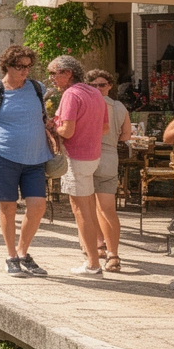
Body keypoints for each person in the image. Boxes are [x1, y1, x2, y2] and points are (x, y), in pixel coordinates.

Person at [0, 45, 51, 277]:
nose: (25, 71)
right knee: (8, 207)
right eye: (20, 67)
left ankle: (22, 252)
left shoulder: (38, 88)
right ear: (7, 66)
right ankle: (10, 256)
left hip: (36, 157)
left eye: (28, 66)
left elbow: (45, 118)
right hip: (4, 155)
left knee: (38, 206)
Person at [49, 54, 109, 276]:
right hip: (93, 156)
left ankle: (93, 263)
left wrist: (53, 127)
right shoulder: (95, 92)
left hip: (76, 157)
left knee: (81, 211)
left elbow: (67, 131)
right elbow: (104, 129)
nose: (51, 78)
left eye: (54, 73)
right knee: (88, 208)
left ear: (68, 73)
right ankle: (92, 256)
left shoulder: (71, 95)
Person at [86, 69, 131, 272]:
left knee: (87, 206)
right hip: (109, 157)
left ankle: (98, 248)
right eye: (94, 85)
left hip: (86, 155)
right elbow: (126, 135)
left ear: (109, 85)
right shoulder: (120, 107)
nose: (97, 89)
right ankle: (112, 254)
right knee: (107, 209)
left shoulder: (85, 103)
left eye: (101, 85)